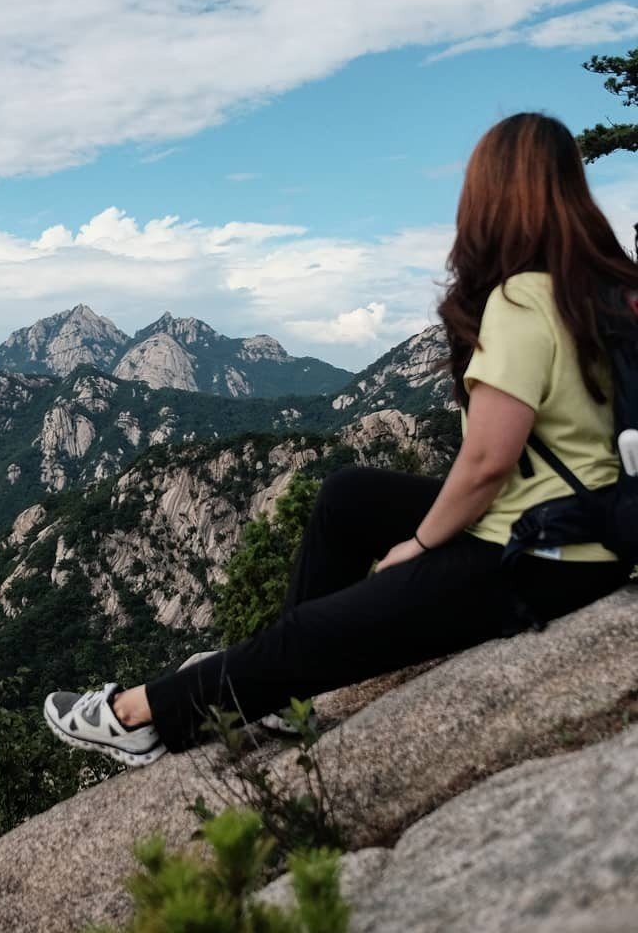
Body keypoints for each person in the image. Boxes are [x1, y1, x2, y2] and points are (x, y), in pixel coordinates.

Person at [44, 112, 637, 767]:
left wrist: (417, 545)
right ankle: (276, 690)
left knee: (313, 629)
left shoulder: (522, 301)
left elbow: (488, 461)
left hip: (537, 557)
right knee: (349, 495)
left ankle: (137, 715)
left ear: (490, 199)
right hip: (577, 529)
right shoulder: (603, 290)